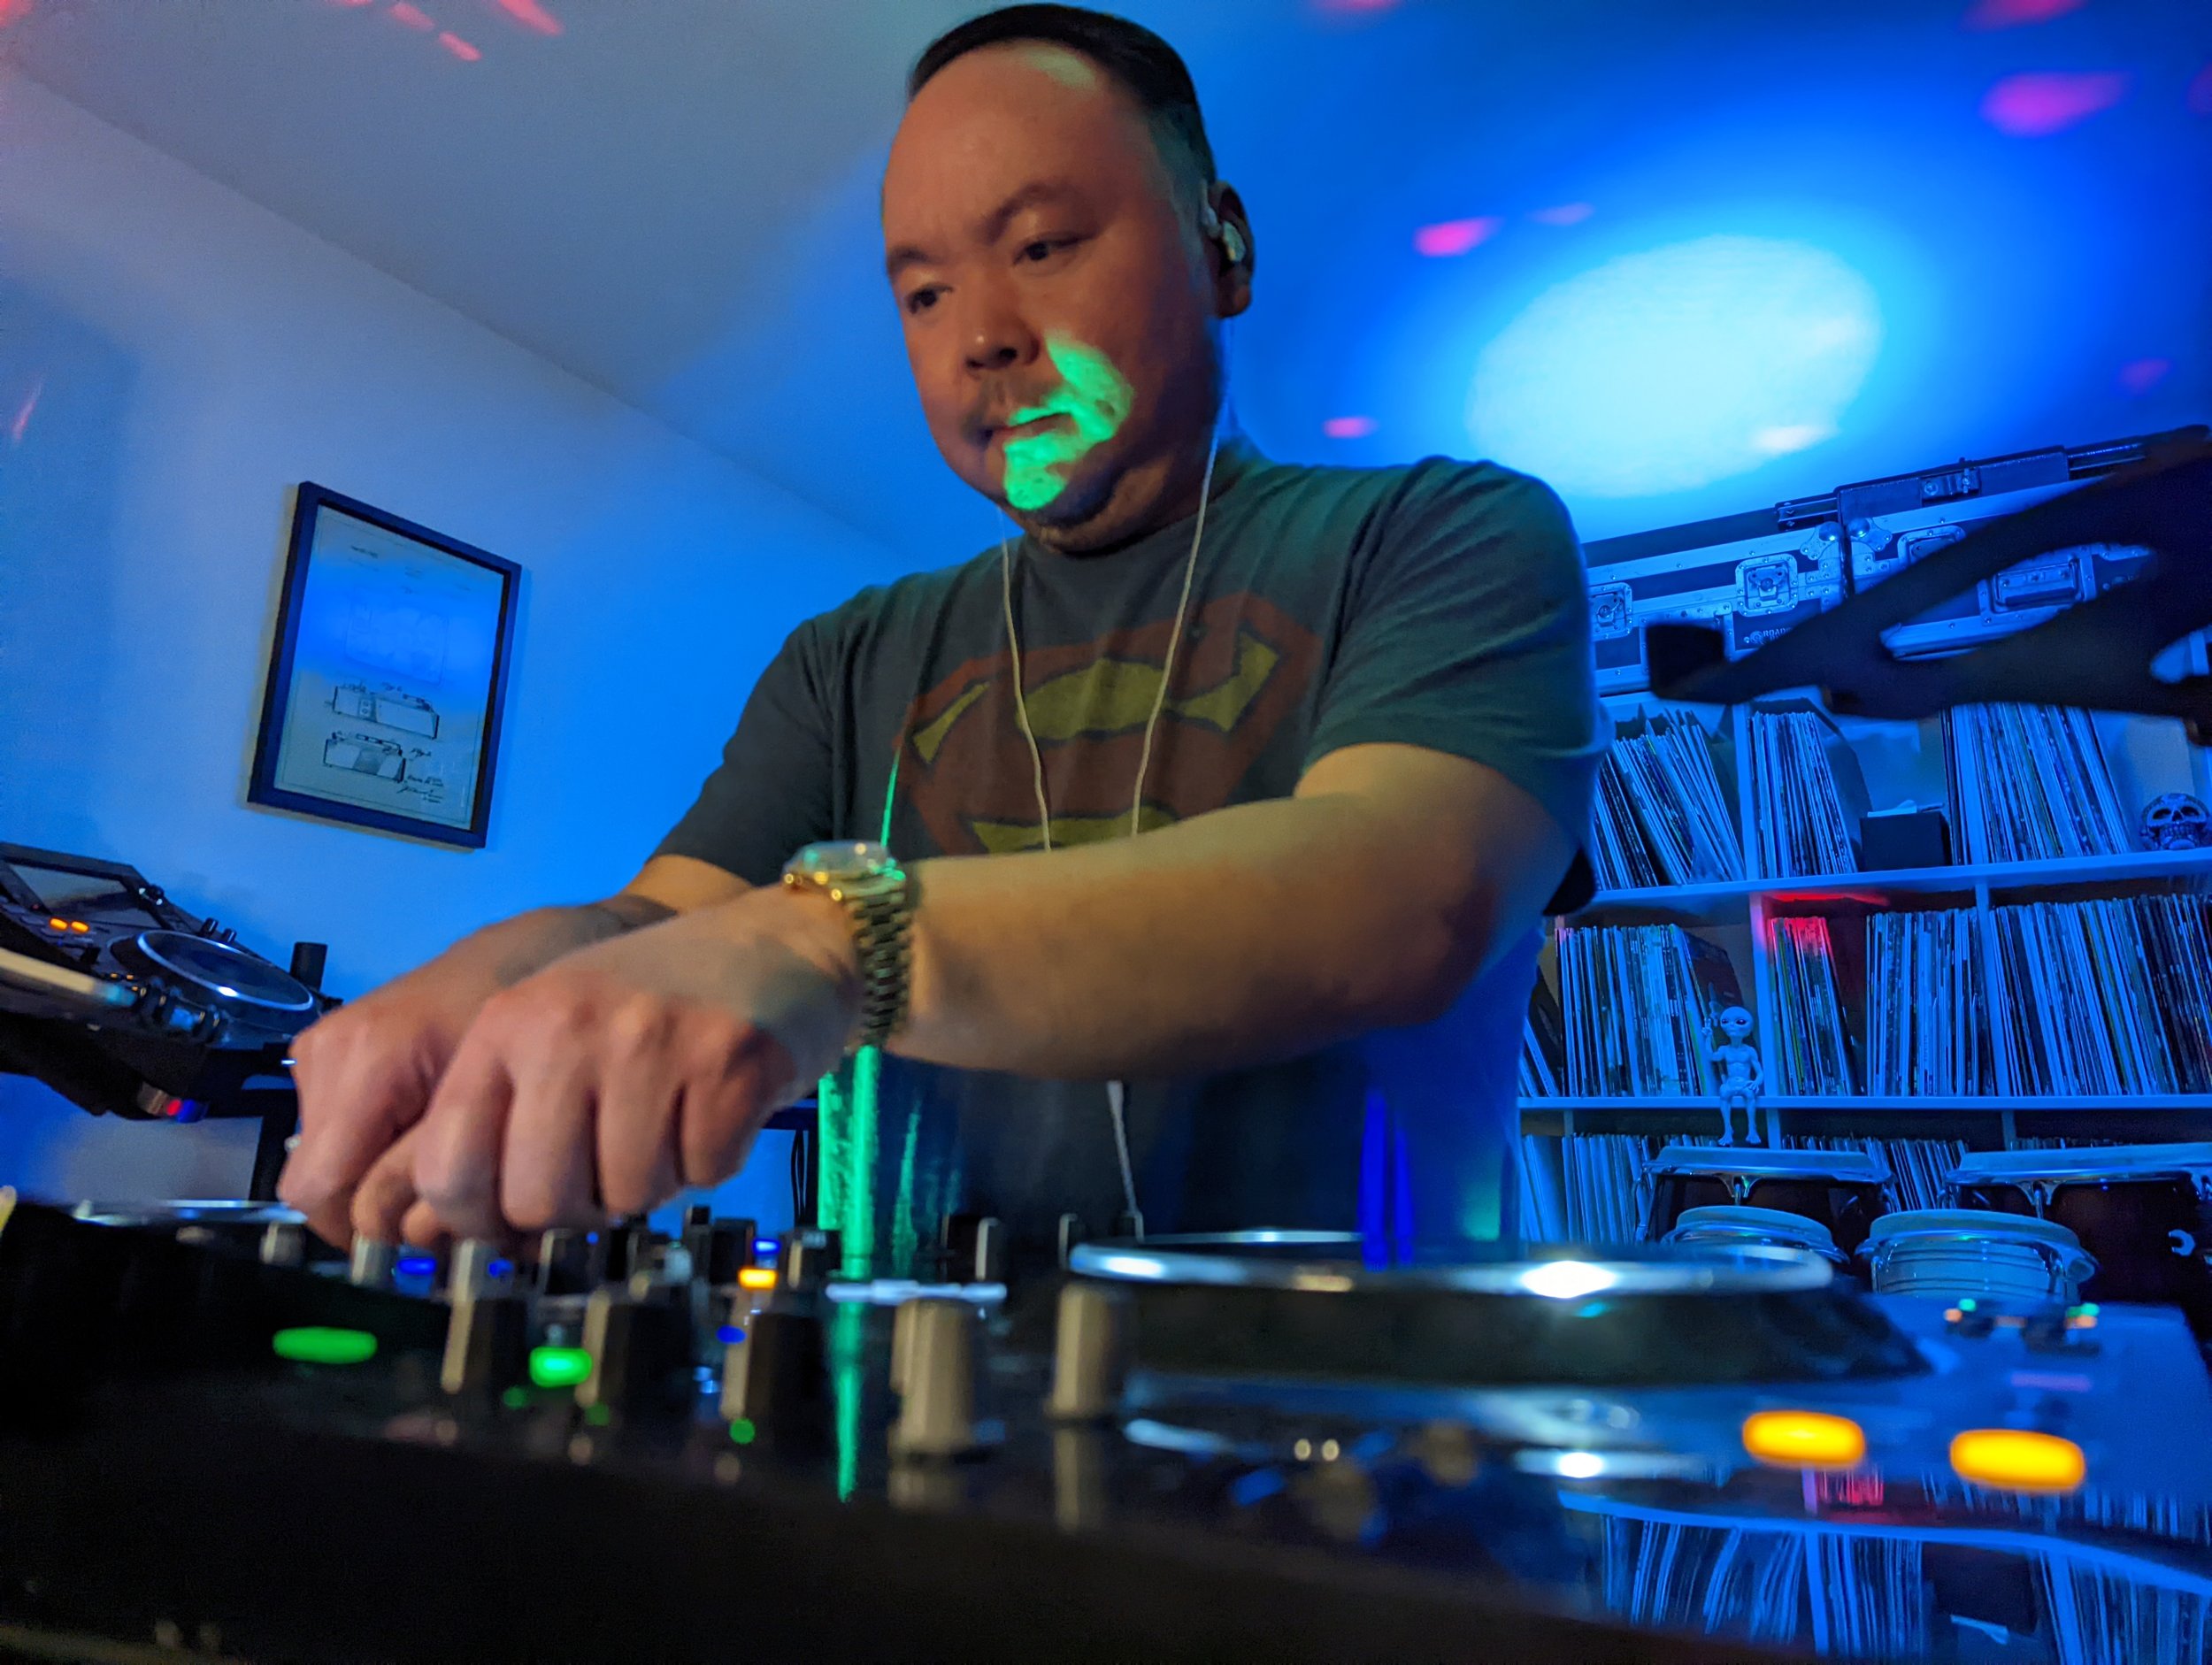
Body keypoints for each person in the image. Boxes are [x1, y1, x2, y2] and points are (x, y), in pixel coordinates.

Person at [280, 4, 1606, 1268]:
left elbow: (1406, 893)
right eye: (923, 294)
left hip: (1360, 1406)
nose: (980, 337)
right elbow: (666, 922)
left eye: (1042, 247)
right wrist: (496, 986)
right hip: (918, 1404)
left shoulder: (1445, 533)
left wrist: (839, 943)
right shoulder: (849, 655)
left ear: (1223, 247)